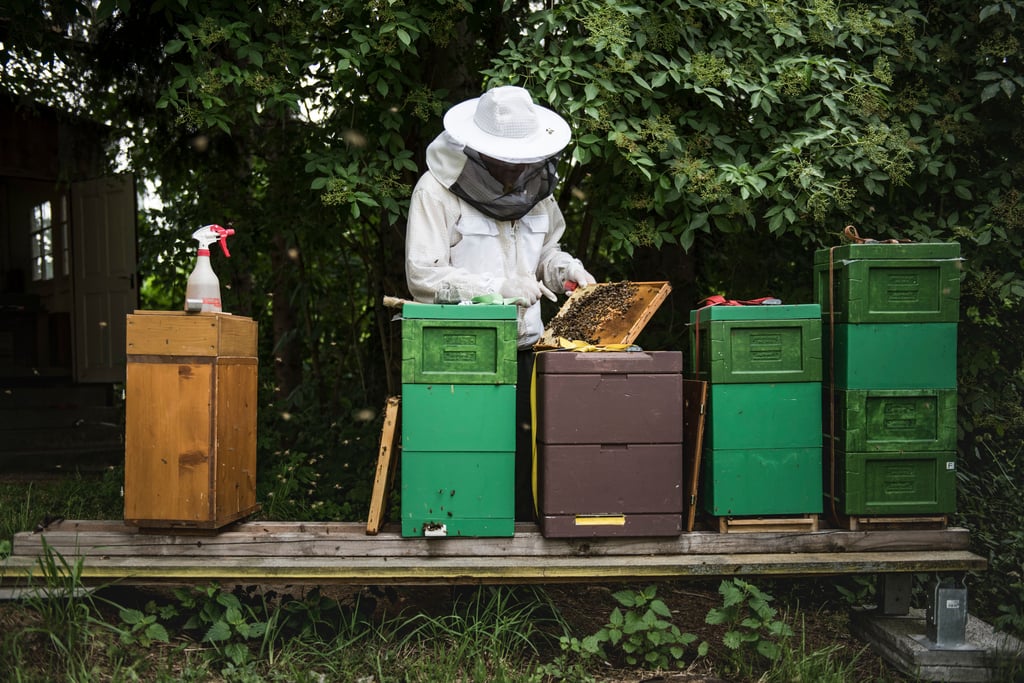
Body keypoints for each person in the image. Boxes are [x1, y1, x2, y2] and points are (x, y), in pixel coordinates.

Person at [405, 85, 596, 520]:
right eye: (506, 159)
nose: (516, 169)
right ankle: (462, 564)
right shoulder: (436, 191)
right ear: (478, 150)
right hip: (460, 354)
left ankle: (525, 576)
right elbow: (423, 275)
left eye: (523, 159)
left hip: (527, 347)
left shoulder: (539, 193)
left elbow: (546, 253)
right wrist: (497, 287)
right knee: (465, 463)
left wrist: (566, 269)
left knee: (525, 465)